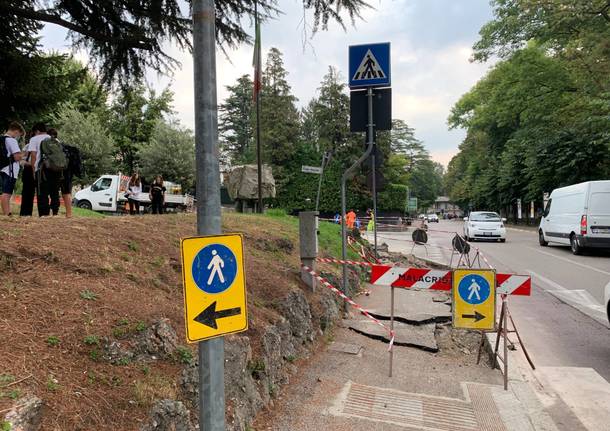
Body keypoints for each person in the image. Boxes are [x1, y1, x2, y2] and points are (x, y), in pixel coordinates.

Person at [48, 128, 73, 218]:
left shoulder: (52, 144)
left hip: (59, 171)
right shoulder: (63, 145)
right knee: (66, 192)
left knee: (55, 192)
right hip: (67, 171)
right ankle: (69, 213)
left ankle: (55, 213)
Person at [1, 122, 24, 216]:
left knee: (5, 191)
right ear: (16, 131)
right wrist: (25, 153)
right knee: (7, 192)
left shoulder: (2, 138)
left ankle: (7, 212)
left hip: (3, 168)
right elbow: (17, 157)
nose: (18, 137)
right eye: (19, 134)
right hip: (10, 169)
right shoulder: (11, 140)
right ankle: (7, 214)